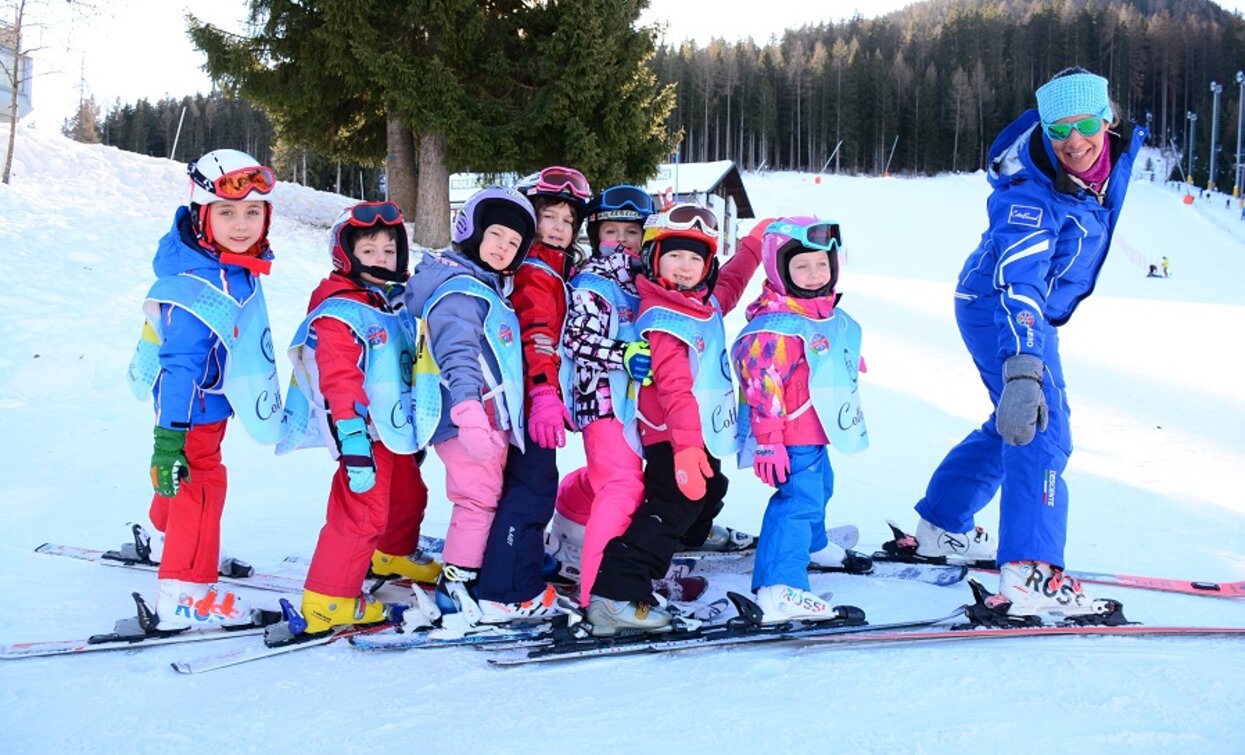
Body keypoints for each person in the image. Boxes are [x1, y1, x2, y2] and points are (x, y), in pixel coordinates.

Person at [906, 67, 1145, 618]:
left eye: (1086, 124)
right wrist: (1023, 366)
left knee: (1011, 421)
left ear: (1107, 119)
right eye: (1058, 130)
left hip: (1009, 306)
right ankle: (1031, 569)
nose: (1075, 142)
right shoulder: (1028, 195)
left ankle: (943, 524)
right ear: (1043, 128)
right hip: (1006, 311)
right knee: (1040, 424)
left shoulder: (1113, 154)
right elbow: (1020, 281)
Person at [586, 203, 762, 635]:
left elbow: (733, 282)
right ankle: (615, 594)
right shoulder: (664, 317)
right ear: (654, 258)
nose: (684, 267)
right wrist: (685, 449)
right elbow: (674, 389)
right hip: (671, 437)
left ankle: (687, 537)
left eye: (695, 258)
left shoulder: (699, 303)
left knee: (711, 487)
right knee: (673, 505)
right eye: (674, 256)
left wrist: (756, 244)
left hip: (695, 433)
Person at [126, 149, 283, 629]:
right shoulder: (200, 284)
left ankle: (163, 536)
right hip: (189, 409)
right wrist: (167, 441)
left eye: (253, 212)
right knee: (202, 484)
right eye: (227, 212)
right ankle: (186, 594)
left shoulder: (226, 262)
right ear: (202, 215)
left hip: (205, 405)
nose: (242, 225)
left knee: (185, 480)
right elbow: (179, 366)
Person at [278, 201, 437, 634]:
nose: (382, 259)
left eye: (390, 251)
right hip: (361, 432)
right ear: (347, 256)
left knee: (408, 495)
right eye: (370, 251)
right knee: (361, 513)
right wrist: (352, 440)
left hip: (394, 429)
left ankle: (393, 552)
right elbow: (339, 379)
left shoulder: (390, 301)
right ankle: (328, 601)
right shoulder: (339, 311)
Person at [402, 186, 536, 626]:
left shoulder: (482, 286)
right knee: (476, 500)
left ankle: (468, 571)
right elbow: (457, 353)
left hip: (483, 418)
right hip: (468, 419)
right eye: (496, 234)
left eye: (513, 243)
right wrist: (468, 411)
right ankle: (456, 586)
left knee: (482, 498)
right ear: (472, 232)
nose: (503, 247)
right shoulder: (461, 291)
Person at [732, 217, 871, 623]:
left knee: (821, 486)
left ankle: (812, 545)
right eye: (802, 267)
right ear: (780, 271)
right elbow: (761, 388)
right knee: (797, 503)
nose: (814, 275)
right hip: (789, 434)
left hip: (814, 430)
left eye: (822, 265)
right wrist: (768, 441)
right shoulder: (776, 328)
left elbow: (820, 352)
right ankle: (780, 587)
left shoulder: (815, 314)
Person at [473, 167, 589, 622]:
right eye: (549, 217)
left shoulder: (550, 268)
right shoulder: (536, 272)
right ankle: (508, 589)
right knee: (534, 488)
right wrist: (544, 392)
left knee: (525, 486)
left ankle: (514, 563)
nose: (559, 228)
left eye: (567, 221)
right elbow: (537, 335)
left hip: (525, 396)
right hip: (528, 399)